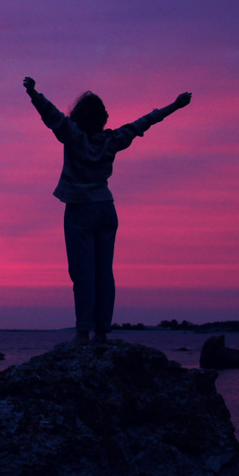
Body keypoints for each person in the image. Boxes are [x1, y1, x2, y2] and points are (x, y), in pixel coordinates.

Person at [23, 77, 191, 345]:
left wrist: (33, 92)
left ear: (78, 117)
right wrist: (176, 105)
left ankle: (82, 333)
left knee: (82, 273)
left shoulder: (73, 135)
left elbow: (50, 114)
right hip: (106, 208)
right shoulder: (112, 140)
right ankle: (101, 332)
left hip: (80, 209)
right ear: (102, 118)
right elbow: (144, 122)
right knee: (104, 271)